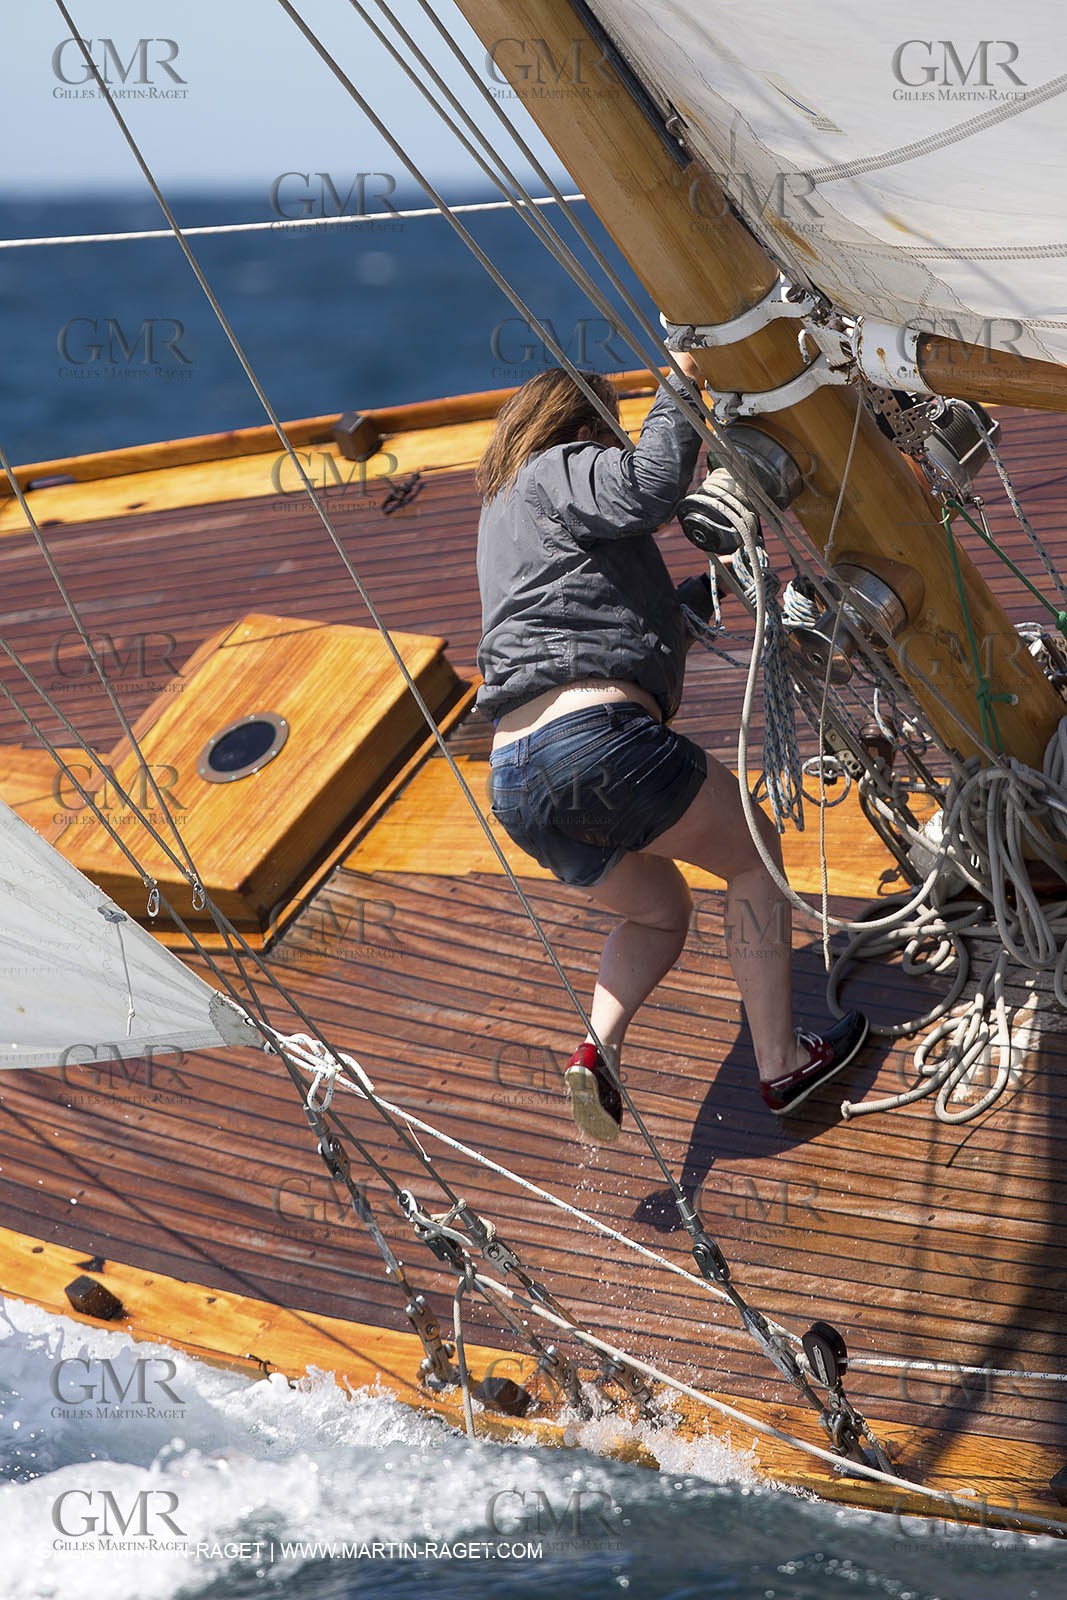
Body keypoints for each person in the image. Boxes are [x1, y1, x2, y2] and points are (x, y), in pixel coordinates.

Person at [475, 359, 867, 1143]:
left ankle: (598, 1050)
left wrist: (715, 590)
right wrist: (678, 387)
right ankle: (782, 1059)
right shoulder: (557, 468)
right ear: (579, 426)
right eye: (608, 430)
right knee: (751, 860)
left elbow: (608, 625)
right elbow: (651, 484)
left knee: (659, 913)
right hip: (592, 742)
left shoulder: (503, 516)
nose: (614, 443)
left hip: (516, 780)